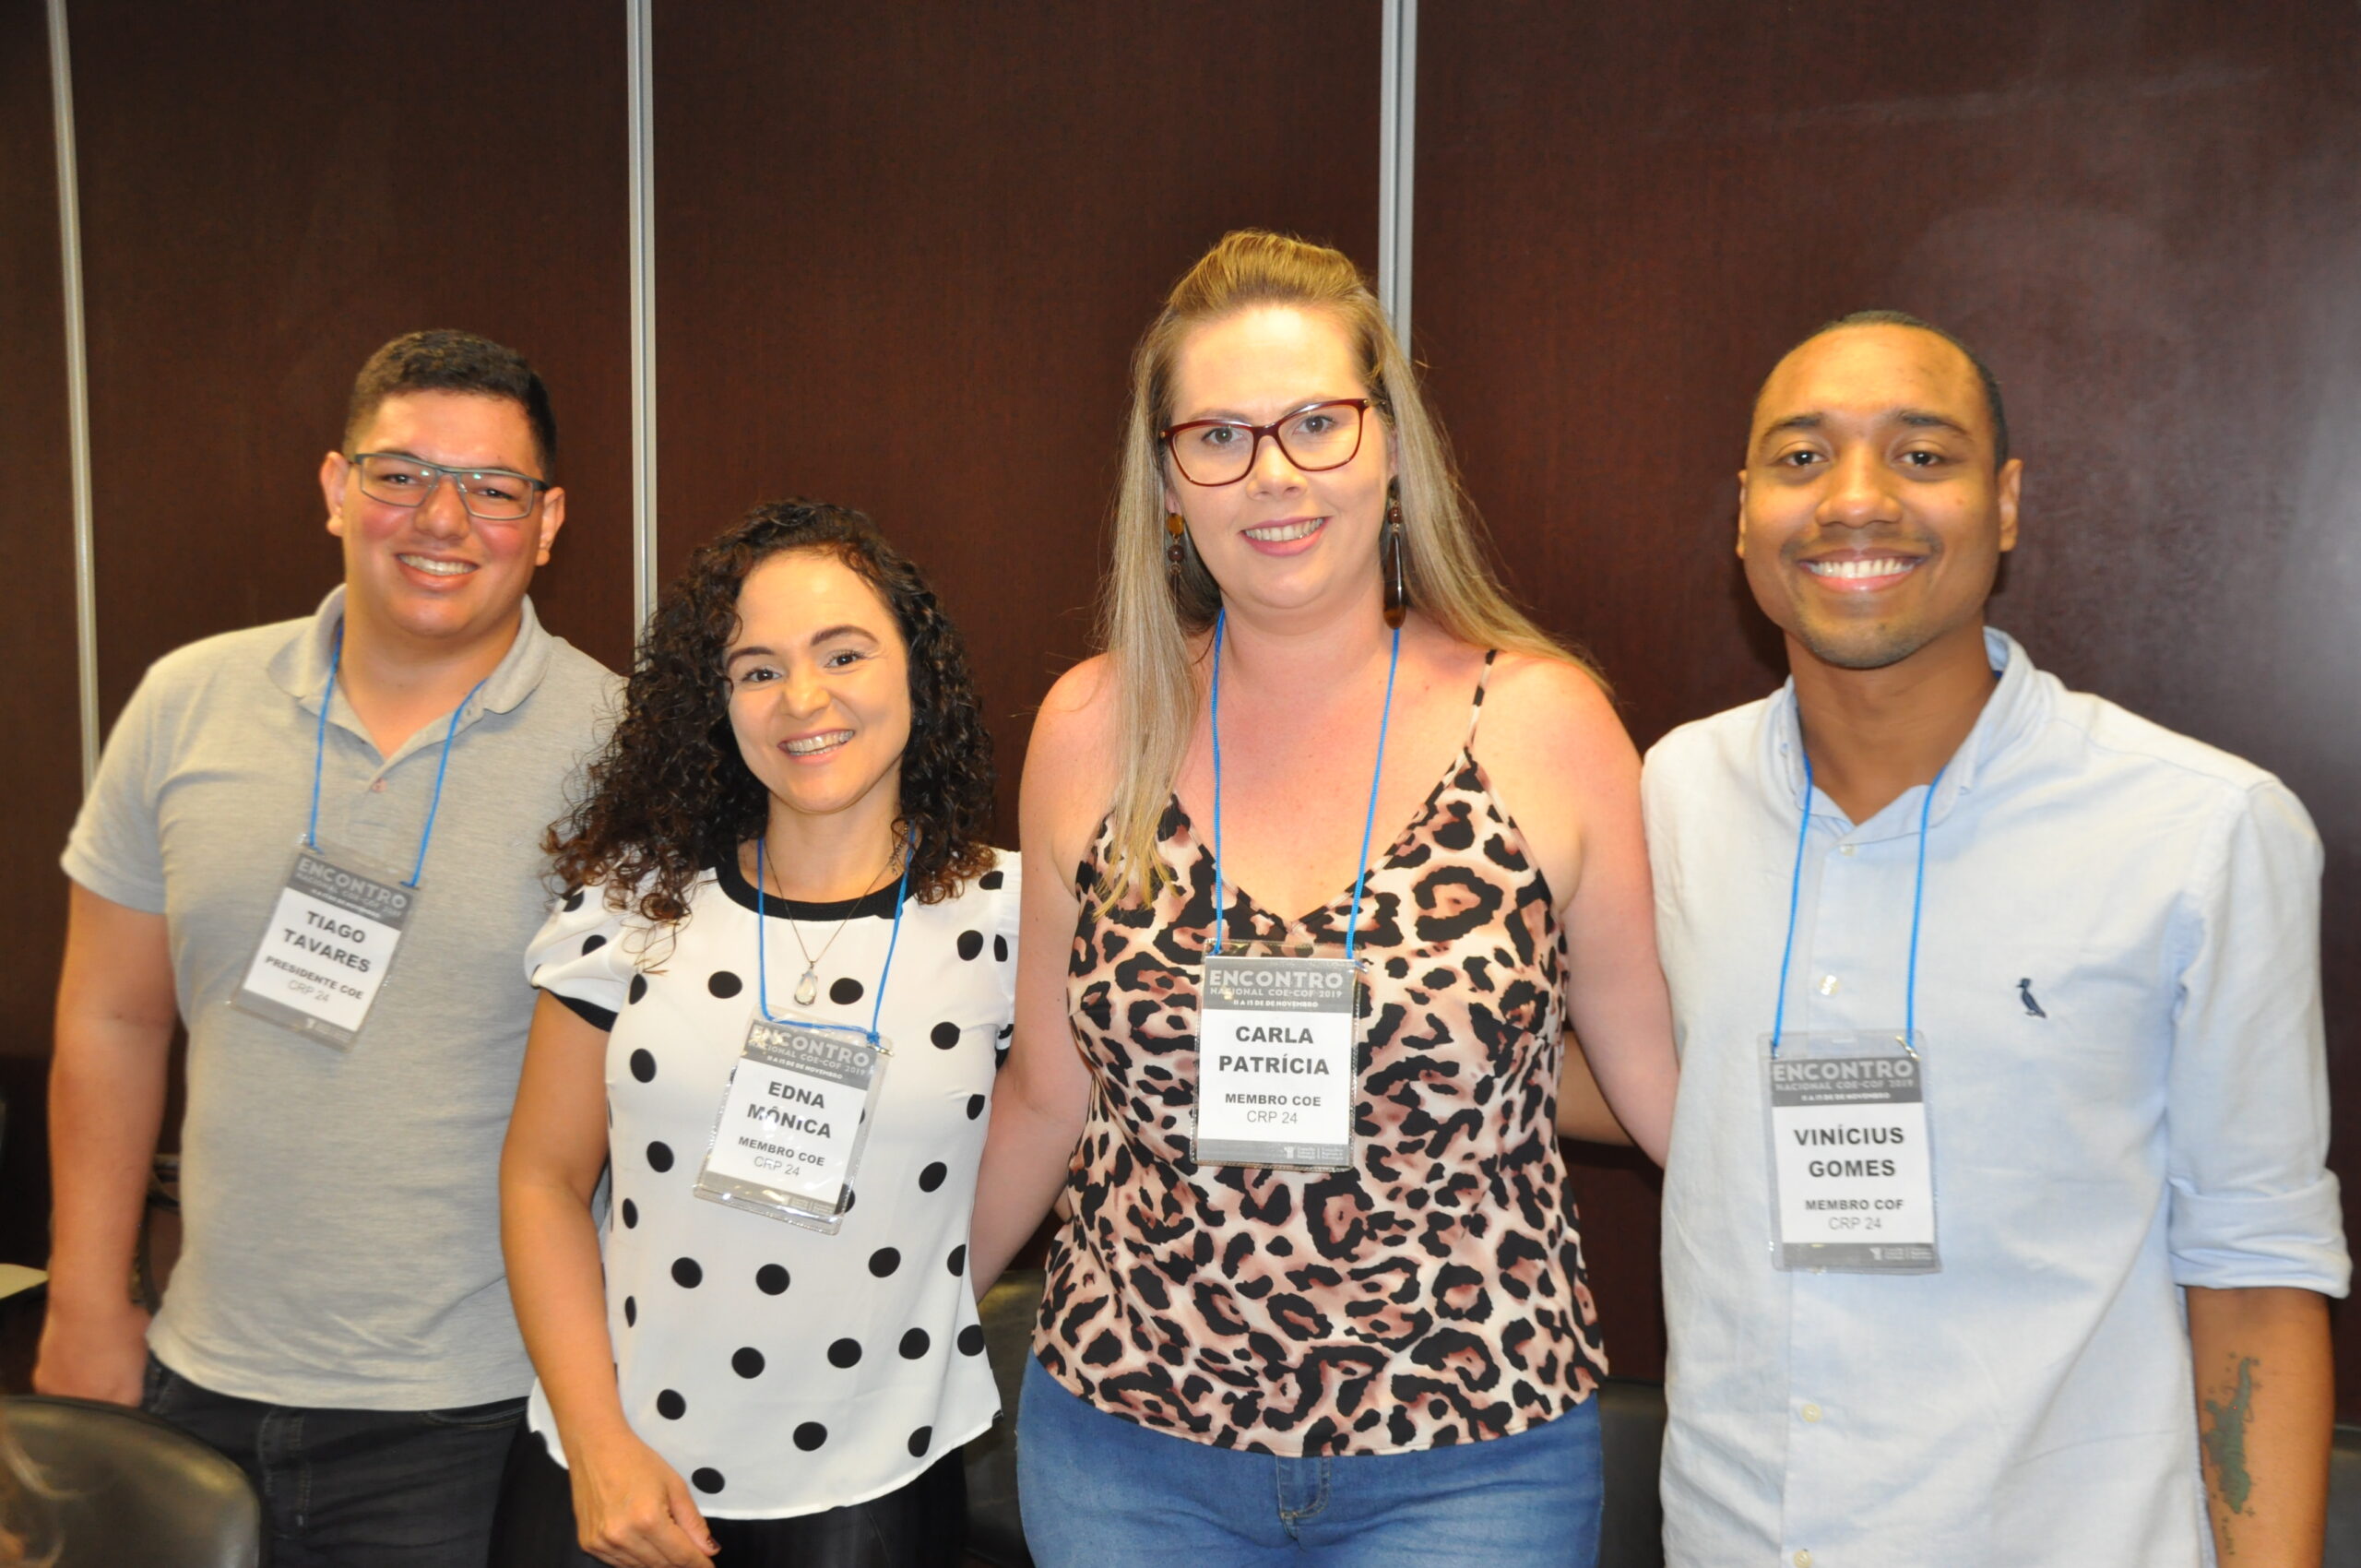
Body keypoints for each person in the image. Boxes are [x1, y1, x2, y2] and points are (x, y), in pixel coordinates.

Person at [967, 229, 1679, 1568]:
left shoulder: (1545, 724)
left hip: (1472, 1454)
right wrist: (898, 1326)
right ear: (1166, 482)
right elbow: (1049, 1095)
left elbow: (1660, 1093)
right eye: (1218, 437)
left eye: (1315, 422)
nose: (1273, 473)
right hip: (1126, 1446)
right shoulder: (1092, 726)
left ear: (1391, 445)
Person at [1645, 311, 2348, 1566]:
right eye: (1802, 458)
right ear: (1744, 511)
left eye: (1922, 456)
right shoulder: (1674, 793)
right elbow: (1635, 1063)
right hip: (1732, 1534)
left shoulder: (2201, 829)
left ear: (2007, 503)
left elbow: (2255, 1275)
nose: (1855, 500)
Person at [39, 329, 617, 1567]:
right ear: (335, 488)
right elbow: (111, 1016)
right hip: (194, 1372)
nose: (442, 519)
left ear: (548, 521)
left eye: (493, 488)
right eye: (400, 473)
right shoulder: (185, 702)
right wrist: (87, 1292)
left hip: (477, 1406)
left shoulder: (622, 754)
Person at [493, 501, 1017, 1568]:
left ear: (918, 671)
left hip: (869, 1478)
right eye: (758, 668)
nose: (802, 698)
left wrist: (904, 1312)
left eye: (843, 652)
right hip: (608, 1469)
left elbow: (1049, 1135)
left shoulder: (1015, 918)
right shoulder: (633, 902)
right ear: (716, 700)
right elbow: (542, 1177)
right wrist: (598, 1444)